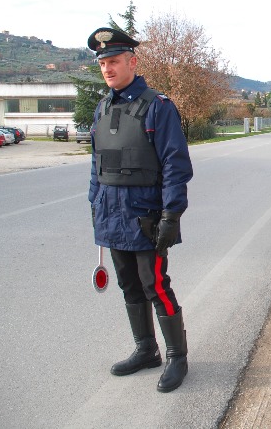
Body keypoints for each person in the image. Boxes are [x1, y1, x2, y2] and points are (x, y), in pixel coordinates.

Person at [87, 27, 193, 393]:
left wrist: (171, 215)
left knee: (155, 286)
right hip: (111, 216)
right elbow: (97, 165)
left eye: (113, 61)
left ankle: (177, 356)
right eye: (102, 62)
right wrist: (94, 206)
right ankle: (146, 350)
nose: (107, 68)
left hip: (146, 217)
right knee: (129, 285)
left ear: (132, 62)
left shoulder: (157, 107)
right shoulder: (103, 108)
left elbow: (176, 165)